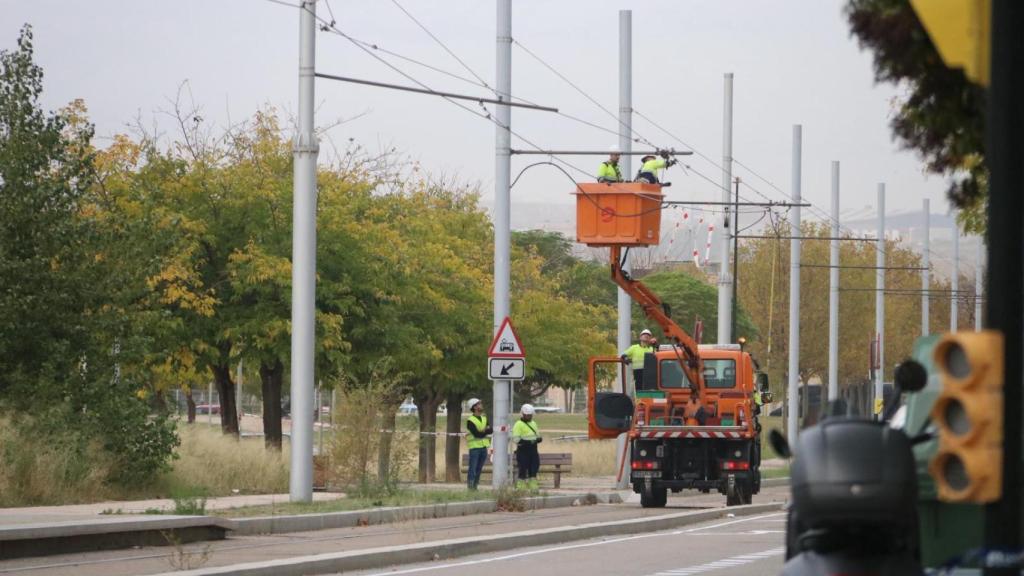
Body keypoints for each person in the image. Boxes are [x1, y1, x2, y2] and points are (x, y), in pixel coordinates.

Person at [511, 404, 542, 491]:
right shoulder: (518, 424)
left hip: (533, 450)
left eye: (530, 415)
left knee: (534, 468)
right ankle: (521, 488)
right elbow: (516, 439)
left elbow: (537, 436)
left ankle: (533, 487)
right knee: (523, 469)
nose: (529, 416)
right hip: (523, 451)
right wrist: (528, 442)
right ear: (523, 414)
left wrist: (538, 439)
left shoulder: (533, 423)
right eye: (527, 415)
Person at [465, 398, 492, 490]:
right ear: (475, 407)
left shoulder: (484, 418)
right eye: (479, 404)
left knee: (479, 469)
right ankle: (471, 487)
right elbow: (477, 434)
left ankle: (475, 486)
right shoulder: (470, 420)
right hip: (474, 448)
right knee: (473, 469)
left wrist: (483, 431)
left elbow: (490, 430)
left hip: (484, 447)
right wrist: (485, 431)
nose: (481, 405)